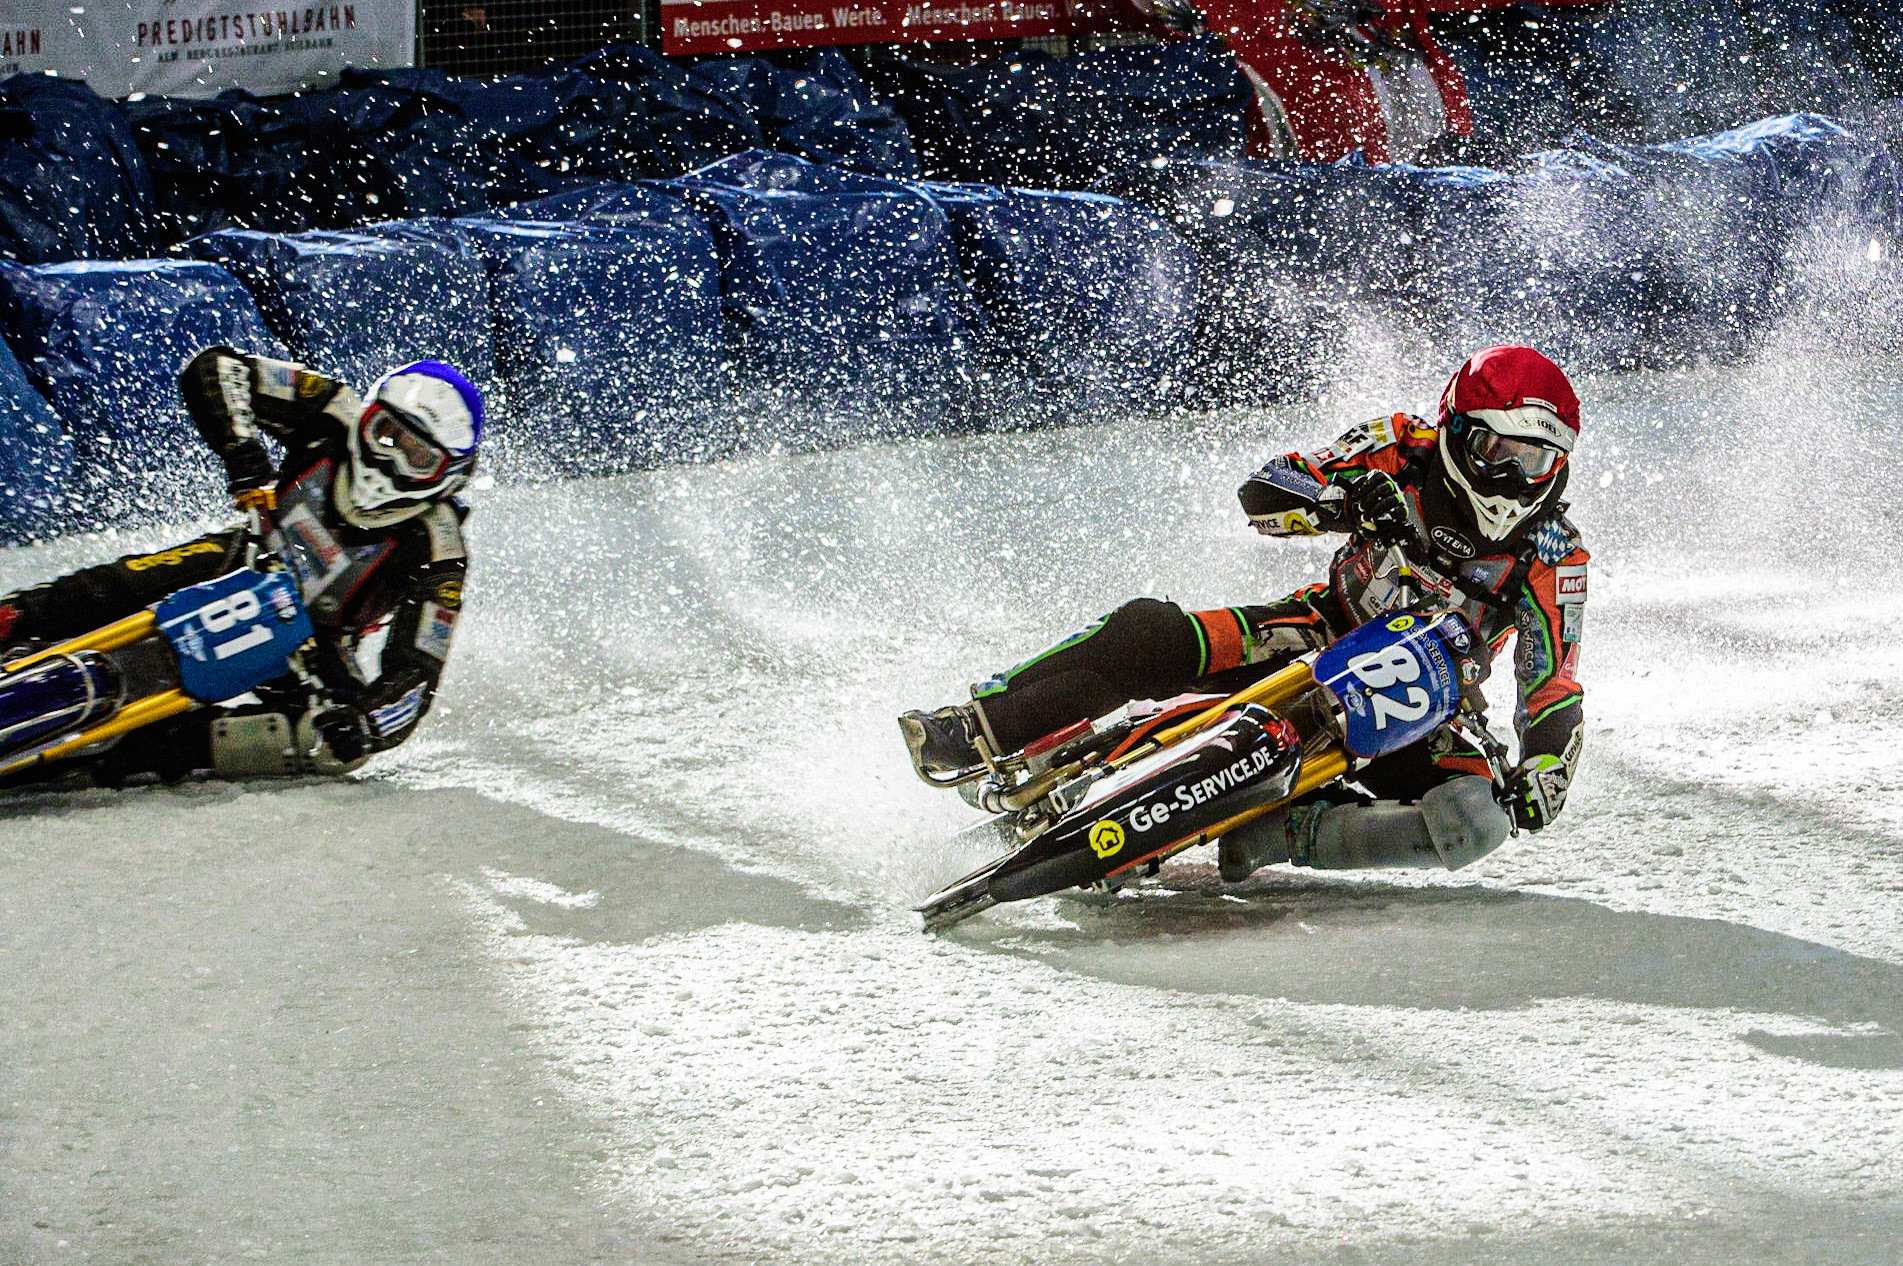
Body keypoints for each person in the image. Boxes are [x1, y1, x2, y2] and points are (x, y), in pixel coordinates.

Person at [899, 344, 1588, 878]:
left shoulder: (1557, 557)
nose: (1509, 476)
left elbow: (1551, 683)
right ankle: (983, 724)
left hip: (1425, 704)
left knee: (1477, 822)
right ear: (1453, 430)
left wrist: (1544, 766)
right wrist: (1341, 503)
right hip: (1315, 631)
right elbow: (1266, 488)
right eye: (1493, 450)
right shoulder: (1396, 444)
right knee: (1149, 632)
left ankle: (1279, 833)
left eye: (1533, 460)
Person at [0, 346, 483, 785]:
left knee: (332, 749)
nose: (388, 460)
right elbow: (217, 368)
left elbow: (417, 676)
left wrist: (364, 723)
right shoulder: (331, 408)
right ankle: (15, 616)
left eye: (417, 457)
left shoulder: (440, 549)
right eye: (386, 433)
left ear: (448, 476)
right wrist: (243, 452)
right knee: (123, 581)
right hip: (251, 551)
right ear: (366, 419)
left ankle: (131, 755)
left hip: (318, 641)